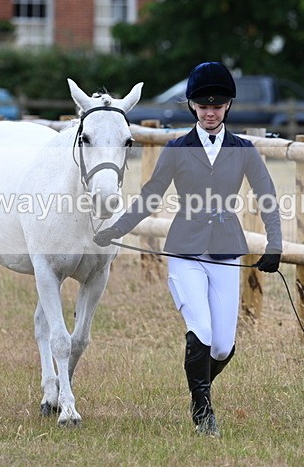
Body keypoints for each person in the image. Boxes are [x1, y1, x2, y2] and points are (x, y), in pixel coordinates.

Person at [93, 61, 283, 437]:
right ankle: (202, 411)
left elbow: (267, 196)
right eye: (202, 106)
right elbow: (150, 197)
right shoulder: (177, 148)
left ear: (227, 106)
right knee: (202, 331)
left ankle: (200, 387)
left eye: (217, 106)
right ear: (193, 107)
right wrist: (115, 229)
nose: (210, 112)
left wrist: (274, 244)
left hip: (227, 252)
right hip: (185, 251)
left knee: (224, 346)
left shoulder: (244, 150)